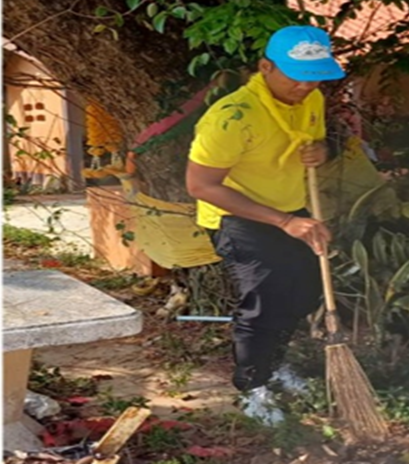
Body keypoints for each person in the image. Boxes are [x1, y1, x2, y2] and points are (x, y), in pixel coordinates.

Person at [186, 25, 345, 425]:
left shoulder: (311, 99)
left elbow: (315, 142)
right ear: (265, 67)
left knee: (302, 292)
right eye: (297, 76)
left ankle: (274, 365)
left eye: (315, 77)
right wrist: (285, 221)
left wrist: (322, 150)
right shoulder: (232, 118)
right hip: (237, 216)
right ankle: (253, 387)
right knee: (263, 303)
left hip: (291, 210)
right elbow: (201, 185)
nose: (306, 86)